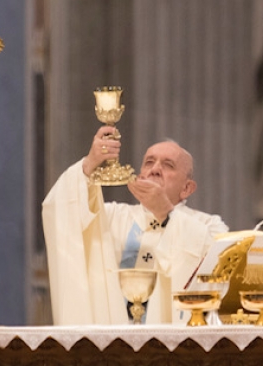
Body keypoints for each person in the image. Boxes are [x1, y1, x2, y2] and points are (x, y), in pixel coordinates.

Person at [42, 126, 228, 325]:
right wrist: (89, 164)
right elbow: (63, 212)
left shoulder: (210, 227)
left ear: (187, 188)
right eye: (149, 163)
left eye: (168, 165)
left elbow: (217, 273)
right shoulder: (113, 218)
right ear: (139, 175)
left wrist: (166, 213)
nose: (155, 169)